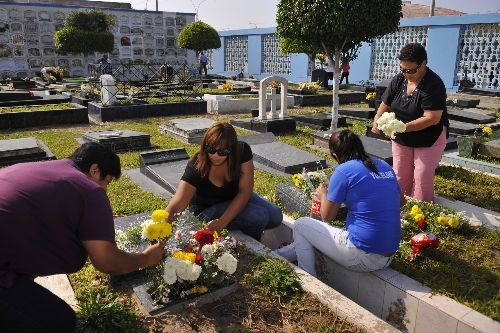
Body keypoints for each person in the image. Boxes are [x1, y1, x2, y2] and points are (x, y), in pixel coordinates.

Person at [0, 143, 167, 332]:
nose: (106, 190)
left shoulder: (38, 169)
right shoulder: (89, 190)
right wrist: (146, 258)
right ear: (95, 170)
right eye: (108, 182)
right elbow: (106, 261)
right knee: (58, 321)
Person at [275, 130, 402, 277]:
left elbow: (327, 217)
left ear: (334, 154)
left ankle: (309, 280)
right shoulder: (383, 165)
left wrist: (323, 195)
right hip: (388, 254)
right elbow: (401, 201)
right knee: (310, 234)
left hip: (362, 255)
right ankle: (277, 255)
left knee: (301, 225)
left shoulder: (343, 171)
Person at [164, 122, 283, 240]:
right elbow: (176, 205)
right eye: (210, 149)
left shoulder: (242, 151)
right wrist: (159, 230)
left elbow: (245, 191)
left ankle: (241, 222)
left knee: (276, 216)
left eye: (222, 152)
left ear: (232, 149)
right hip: (207, 210)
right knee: (259, 216)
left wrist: (223, 221)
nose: (215, 155)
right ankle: (250, 242)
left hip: (233, 197)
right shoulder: (196, 166)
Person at [371, 42, 449, 202]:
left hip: (428, 138)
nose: (406, 74)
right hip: (402, 137)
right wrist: (377, 120)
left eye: (411, 70)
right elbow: (385, 104)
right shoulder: (399, 80)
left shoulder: (433, 84)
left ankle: (421, 214)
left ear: (423, 64)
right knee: (400, 174)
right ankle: (399, 209)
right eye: (403, 69)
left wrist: (402, 127)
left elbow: (432, 118)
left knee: (422, 178)